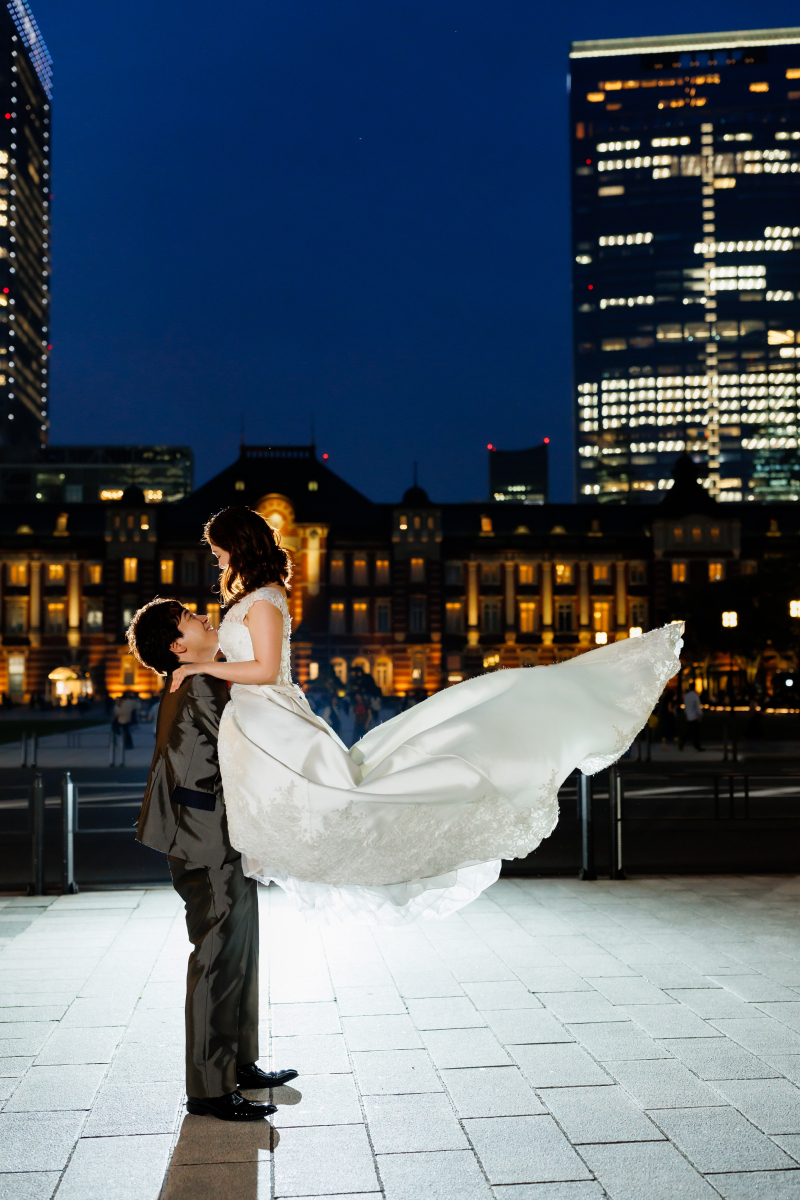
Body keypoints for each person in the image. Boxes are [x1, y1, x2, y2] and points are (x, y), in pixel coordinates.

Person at [167, 506, 684, 926]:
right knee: (324, 800)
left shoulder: (263, 600)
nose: (216, 562)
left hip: (274, 717)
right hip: (261, 724)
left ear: (240, 546)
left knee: (344, 799)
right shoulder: (253, 598)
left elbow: (263, 667)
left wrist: (199, 670)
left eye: (219, 552)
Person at [127, 599, 298, 1121]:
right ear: (179, 646)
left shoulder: (199, 677)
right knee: (217, 960)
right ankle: (207, 1085)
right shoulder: (198, 684)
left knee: (239, 953)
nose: (204, 618)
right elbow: (245, 745)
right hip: (205, 843)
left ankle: (238, 1064)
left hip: (219, 839)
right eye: (190, 619)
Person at [680, 687, 704, 752]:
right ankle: (697, 746)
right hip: (694, 716)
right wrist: (700, 715)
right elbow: (697, 706)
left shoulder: (686, 696)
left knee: (689, 731)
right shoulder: (695, 696)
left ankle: (682, 743)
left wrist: (687, 714)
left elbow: (685, 706)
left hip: (689, 716)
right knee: (696, 733)